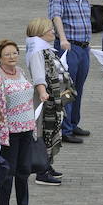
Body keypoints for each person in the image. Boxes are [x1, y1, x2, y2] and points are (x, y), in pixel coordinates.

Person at [0, 39, 36, 205]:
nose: (12, 57)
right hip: (9, 132)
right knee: (8, 173)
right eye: (7, 54)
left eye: (14, 53)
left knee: (24, 171)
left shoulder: (21, 72)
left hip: (26, 128)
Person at [48, 0, 92, 144]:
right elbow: (55, 15)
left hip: (84, 48)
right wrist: (63, 38)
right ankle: (65, 129)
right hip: (69, 48)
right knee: (67, 89)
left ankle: (74, 123)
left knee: (79, 87)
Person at [25, 18, 67, 186]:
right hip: (43, 99)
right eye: (50, 30)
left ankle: (47, 165)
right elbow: (38, 75)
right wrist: (43, 92)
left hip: (50, 96)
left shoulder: (43, 48)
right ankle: (42, 171)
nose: (53, 33)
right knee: (42, 131)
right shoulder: (37, 50)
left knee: (48, 130)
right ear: (41, 32)